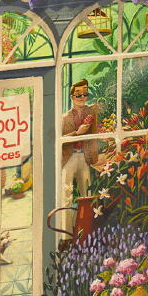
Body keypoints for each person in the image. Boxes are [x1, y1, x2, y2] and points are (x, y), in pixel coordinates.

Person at [61, 78, 99, 209]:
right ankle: (66, 222)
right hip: (69, 157)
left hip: (84, 156)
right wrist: (77, 133)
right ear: (72, 97)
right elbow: (60, 139)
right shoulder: (65, 117)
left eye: (85, 94)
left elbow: (97, 133)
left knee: (86, 194)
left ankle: (85, 220)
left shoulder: (91, 112)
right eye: (78, 95)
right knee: (66, 196)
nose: (82, 97)